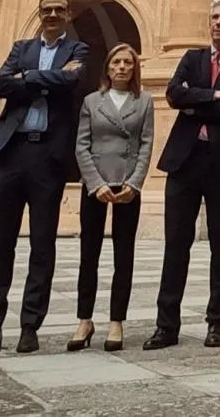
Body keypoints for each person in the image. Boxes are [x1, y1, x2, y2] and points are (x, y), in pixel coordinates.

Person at [143, 0, 220, 350]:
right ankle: (166, 326)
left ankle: (216, 323)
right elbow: (173, 95)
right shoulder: (191, 58)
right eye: (214, 17)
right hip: (185, 159)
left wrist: (196, 101)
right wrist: (214, 96)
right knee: (176, 244)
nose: (218, 23)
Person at [0, 0, 89, 355]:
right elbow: (0, 85)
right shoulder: (20, 47)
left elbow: (71, 82)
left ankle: (30, 326)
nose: (52, 14)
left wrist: (26, 78)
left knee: (42, 245)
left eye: (59, 9)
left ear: (68, 15)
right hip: (10, 153)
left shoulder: (78, 49)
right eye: (46, 9)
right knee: (0, 245)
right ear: (40, 14)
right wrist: (46, 77)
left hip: (48, 157)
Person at [69, 43, 154, 352]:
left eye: (128, 63)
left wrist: (135, 183)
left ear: (134, 68)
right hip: (96, 184)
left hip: (127, 184)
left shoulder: (144, 101)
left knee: (124, 254)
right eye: (116, 62)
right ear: (107, 67)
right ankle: (85, 319)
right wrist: (95, 183)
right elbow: (82, 145)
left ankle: (117, 320)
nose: (122, 67)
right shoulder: (92, 101)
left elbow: (146, 144)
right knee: (88, 253)